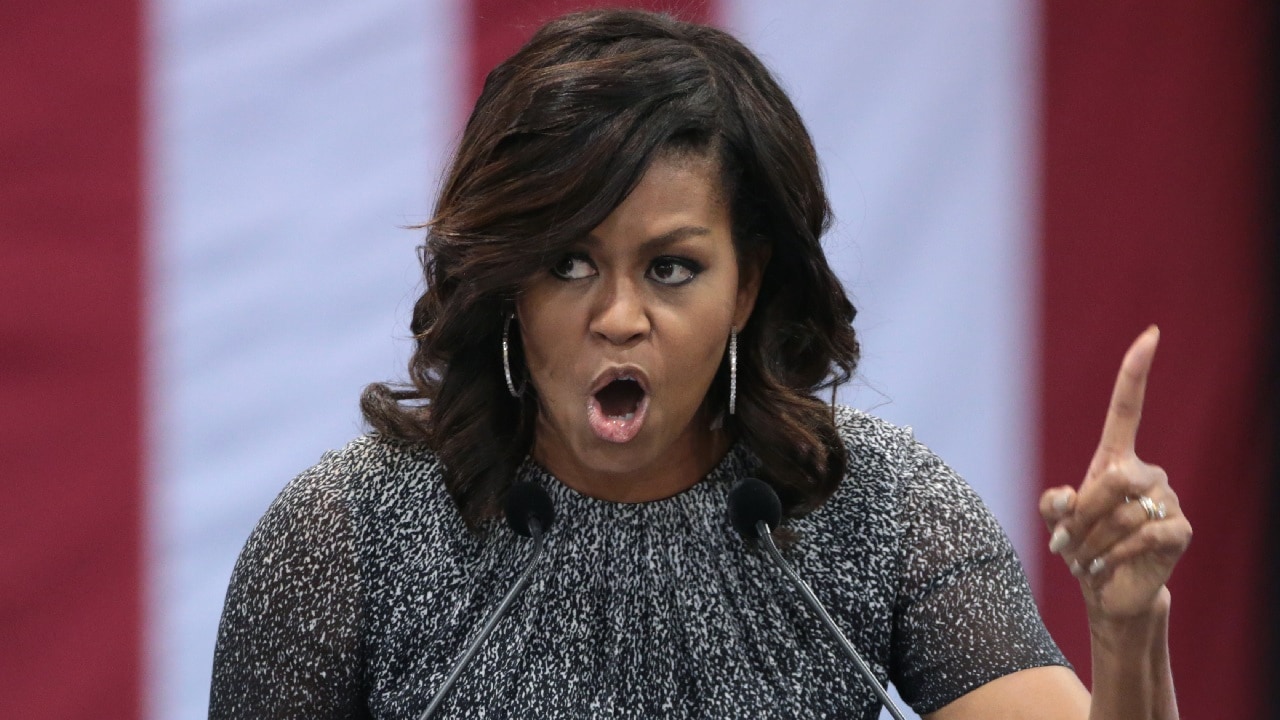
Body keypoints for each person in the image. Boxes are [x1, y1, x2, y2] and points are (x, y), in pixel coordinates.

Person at [209, 8, 1191, 719]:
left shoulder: (870, 505)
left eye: (671, 269)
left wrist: (1126, 628)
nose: (619, 317)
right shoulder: (346, 537)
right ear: (506, 281)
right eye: (568, 263)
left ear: (747, 286)